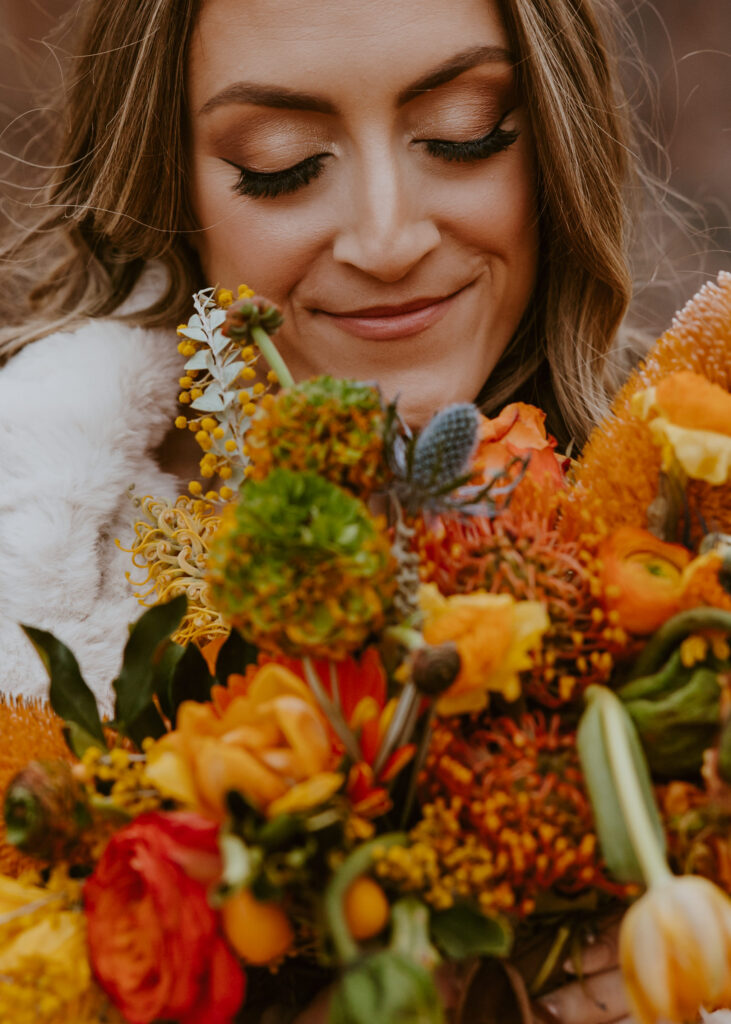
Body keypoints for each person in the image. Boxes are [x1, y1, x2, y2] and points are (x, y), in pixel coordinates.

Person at [0, 1, 724, 1021]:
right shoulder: (27, 566)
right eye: (281, 161)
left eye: (462, 135)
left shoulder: (692, 539)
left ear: (554, 144)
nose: (386, 240)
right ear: (169, 183)